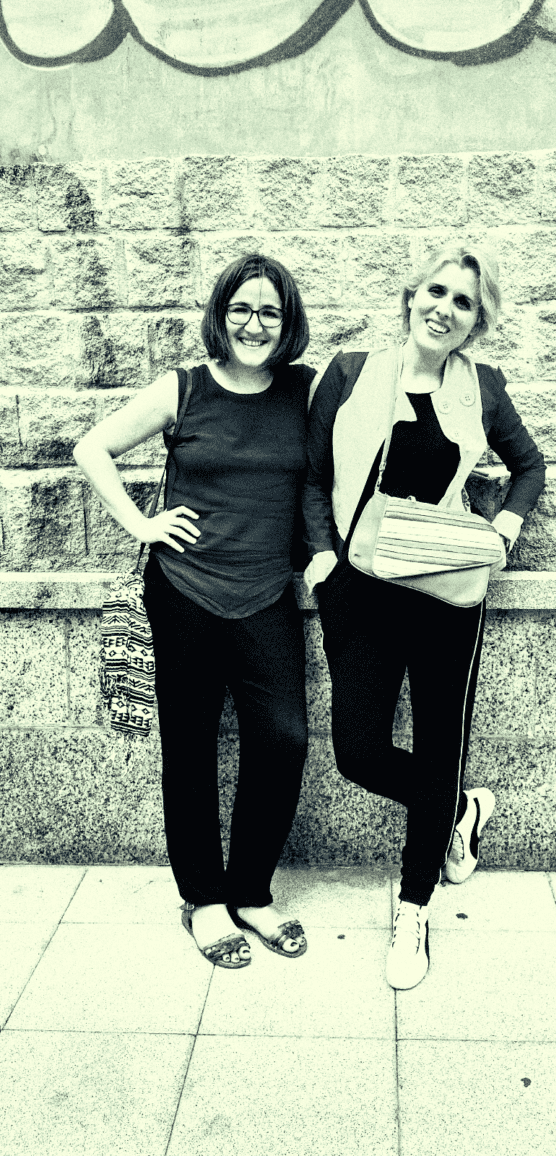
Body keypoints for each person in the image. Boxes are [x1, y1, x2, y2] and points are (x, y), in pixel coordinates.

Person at [303, 244, 546, 990]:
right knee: (358, 752)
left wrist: (505, 527)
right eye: (436, 292)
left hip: (447, 593)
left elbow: (529, 465)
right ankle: (458, 808)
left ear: (477, 322)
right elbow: (311, 475)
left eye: (463, 302)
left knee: (441, 742)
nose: (445, 309)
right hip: (359, 588)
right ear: (412, 296)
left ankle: (414, 908)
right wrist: (321, 557)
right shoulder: (349, 372)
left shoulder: (484, 387)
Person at [74, 254, 315, 969]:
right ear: (220, 314)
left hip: (268, 593)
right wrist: (141, 523)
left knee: (284, 738)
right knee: (190, 746)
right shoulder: (184, 388)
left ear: (287, 321)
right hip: (183, 591)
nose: (254, 324)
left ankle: (252, 893)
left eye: (269, 311)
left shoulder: (303, 391)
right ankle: (205, 901)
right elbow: (92, 447)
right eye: (241, 309)